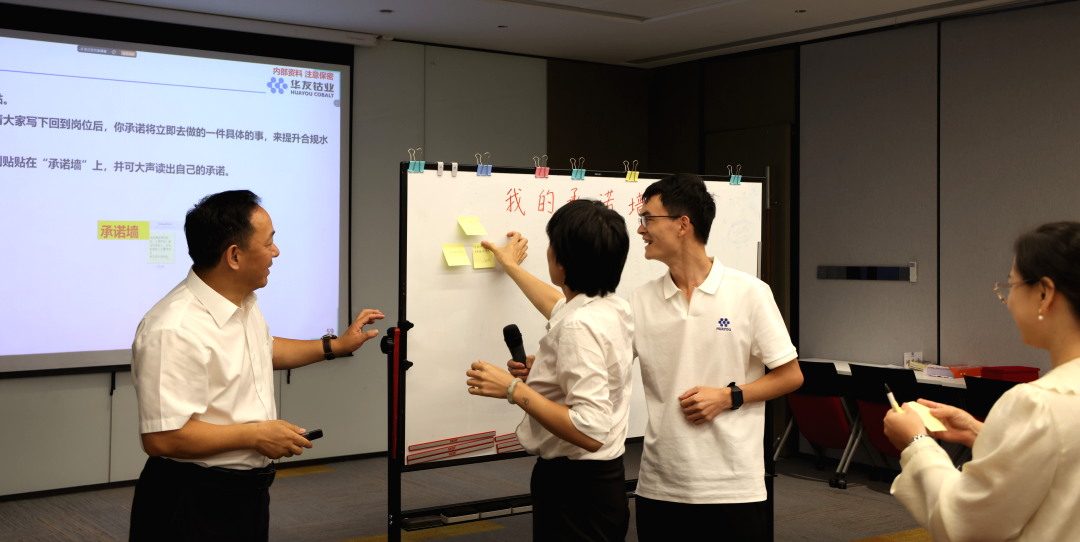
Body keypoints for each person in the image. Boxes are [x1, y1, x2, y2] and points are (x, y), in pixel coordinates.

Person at [129, 190, 384, 541]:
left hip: (246, 494)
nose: (276, 252)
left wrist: (335, 346)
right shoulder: (173, 328)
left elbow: (262, 350)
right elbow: (162, 438)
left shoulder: (243, 303)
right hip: (191, 498)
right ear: (234, 255)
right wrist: (255, 435)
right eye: (268, 243)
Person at [630, 173, 802, 541]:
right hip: (661, 484)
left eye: (648, 218)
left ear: (683, 224)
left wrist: (729, 396)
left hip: (733, 487)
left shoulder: (750, 293)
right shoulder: (640, 300)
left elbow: (791, 375)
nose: (641, 229)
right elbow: (607, 361)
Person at [883, 221, 1080, 542]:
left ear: (1044, 293)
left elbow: (964, 524)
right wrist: (979, 433)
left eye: (1012, 285)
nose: (1008, 300)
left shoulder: (1037, 404)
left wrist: (916, 443)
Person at [465, 199, 634, 541]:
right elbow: (557, 305)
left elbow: (590, 430)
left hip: (576, 488)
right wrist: (510, 265)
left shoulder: (579, 326)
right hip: (601, 482)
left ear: (561, 261)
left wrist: (514, 390)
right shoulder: (612, 307)